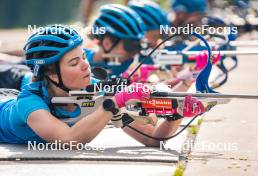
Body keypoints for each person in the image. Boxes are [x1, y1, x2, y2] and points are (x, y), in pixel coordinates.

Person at [0, 25, 205, 147]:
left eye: (83, 57)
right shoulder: (28, 103)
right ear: (51, 73)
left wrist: (174, 110)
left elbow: (153, 139)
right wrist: (115, 103)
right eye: (74, 63)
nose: (85, 65)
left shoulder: (97, 92)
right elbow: (68, 140)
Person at [83, 4, 146, 76]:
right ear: (107, 43)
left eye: (138, 45)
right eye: (130, 46)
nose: (134, 54)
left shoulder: (133, 63)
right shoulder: (78, 61)